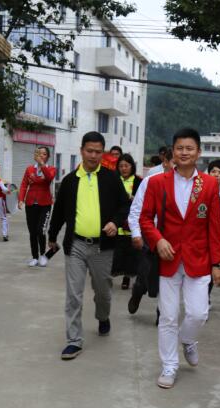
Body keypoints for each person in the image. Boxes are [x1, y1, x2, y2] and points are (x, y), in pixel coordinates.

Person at [140, 128, 220, 389]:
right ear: (172, 152)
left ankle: (188, 339)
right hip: (167, 260)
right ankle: (169, 365)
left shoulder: (209, 185)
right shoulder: (157, 183)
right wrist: (158, 240)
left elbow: (214, 227)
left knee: (198, 313)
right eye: (180, 148)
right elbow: (145, 218)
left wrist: (218, 263)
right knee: (167, 316)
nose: (184, 152)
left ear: (198, 153)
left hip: (199, 259)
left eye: (189, 148)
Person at [48, 131, 130, 361]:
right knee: (73, 294)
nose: (93, 156)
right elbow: (60, 212)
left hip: (102, 247)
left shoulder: (111, 178)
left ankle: (103, 316)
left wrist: (115, 221)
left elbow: (125, 206)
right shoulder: (70, 181)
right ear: (81, 150)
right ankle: (74, 341)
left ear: (102, 153)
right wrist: (52, 236)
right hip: (76, 245)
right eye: (89, 151)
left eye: (98, 152)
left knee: (103, 291)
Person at [127, 147, 174, 318]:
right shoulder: (151, 181)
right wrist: (136, 233)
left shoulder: (190, 185)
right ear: (166, 162)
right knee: (146, 273)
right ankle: (138, 291)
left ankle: (162, 313)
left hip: (174, 239)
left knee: (169, 278)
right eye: (174, 163)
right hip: (150, 236)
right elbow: (136, 210)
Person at [19, 146, 56, 267]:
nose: (41, 155)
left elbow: (49, 178)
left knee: (41, 230)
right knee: (33, 232)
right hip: (31, 203)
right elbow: (24, 184)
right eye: (39, 153)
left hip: (45, 204)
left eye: (44, 154)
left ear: (48, 156)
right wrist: (20, 199)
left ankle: (43, 256)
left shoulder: (50, 169)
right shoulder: (29, 169)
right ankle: (35, 257)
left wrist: (42, 164)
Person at [112, 153, 142, 290]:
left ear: (132, 167)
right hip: (116, 218)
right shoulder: (114, 180)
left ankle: (127, 277)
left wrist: (133, 198)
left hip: (132, 219)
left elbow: (143, 200)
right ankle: (111, 274)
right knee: (116, 250)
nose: (124, 169)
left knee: (131, 251)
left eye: (126, 166)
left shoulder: (138, 181)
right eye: (121, 166)